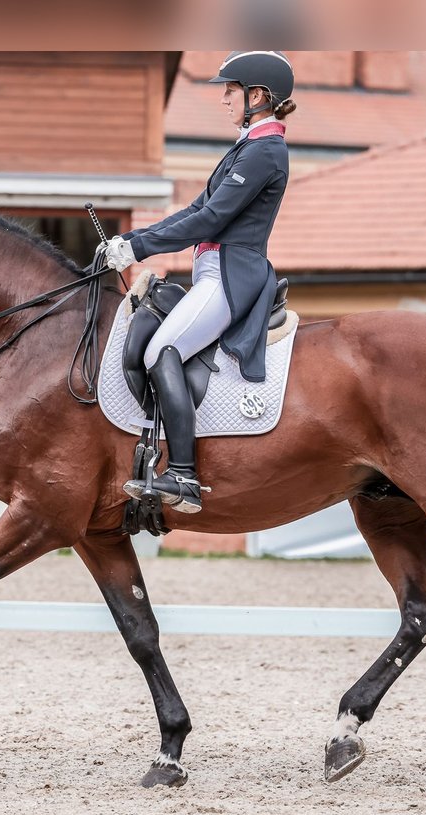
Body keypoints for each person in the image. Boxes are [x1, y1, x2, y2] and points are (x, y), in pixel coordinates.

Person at [103, 50, 296, 515]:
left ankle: (184, 475)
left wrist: (141, 249)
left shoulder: (267, 151)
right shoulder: (246, 147)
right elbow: (195, 211)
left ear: (258, 96)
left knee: (161, 350)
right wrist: (133, 238)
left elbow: (212, 217)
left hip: (233, 273)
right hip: (211, 268)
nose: (224, 98)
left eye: (231, 90)